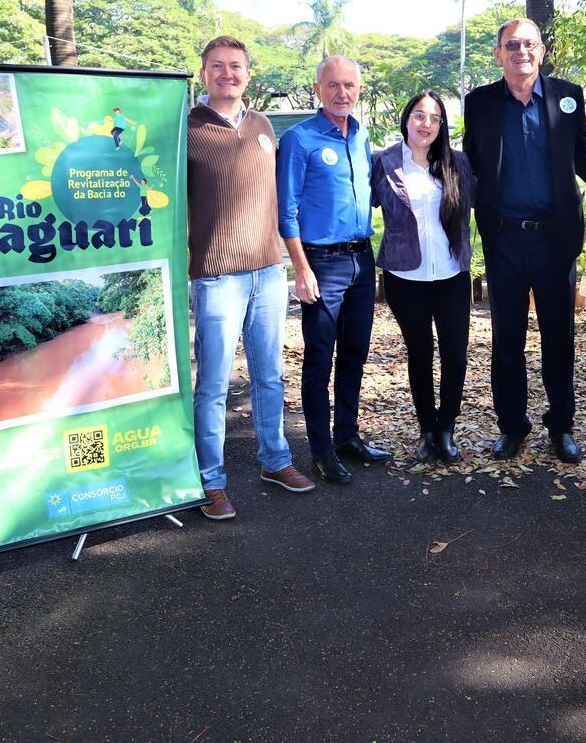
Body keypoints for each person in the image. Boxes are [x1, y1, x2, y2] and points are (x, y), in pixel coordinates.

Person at [187, 35, 315, 521]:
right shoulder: (188, 128)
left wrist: (292, 262)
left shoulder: (262, 125)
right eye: (217, 66)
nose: (228, 74)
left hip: (267, 271)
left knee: (269, 375)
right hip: (217, 277)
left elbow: (281, 201)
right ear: (204, 74)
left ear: (248, 74)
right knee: (215, 383)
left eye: (236, 66)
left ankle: (275, 460)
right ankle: (211, 481)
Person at [462, 18, 586, 462]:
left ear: (542, 51)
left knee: (560, 337)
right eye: (512, 44)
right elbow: (473, 165)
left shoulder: (569, 97)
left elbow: (584, 159)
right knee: (507, 338)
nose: (522, 51)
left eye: (529, 44)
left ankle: (562, 426)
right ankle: (513, 426)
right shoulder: (479, 103)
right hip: (505, 242)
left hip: (557, 242)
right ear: (498, 53)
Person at [277, 55, 391, 483]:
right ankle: (321, 451)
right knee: (319, 359)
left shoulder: (361, 138)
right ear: (317, 88)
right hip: (322, 263)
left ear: (358, 89)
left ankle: (347, 436)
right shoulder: (300, 139)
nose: (342, 93)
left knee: (355, 356)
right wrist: (300, 268)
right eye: (333, 85)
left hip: (363, 258)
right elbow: (285, 210)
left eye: (350, 86)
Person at [371, 91, 476, 464]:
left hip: (450, 273)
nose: (426, 124)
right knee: (420, 352)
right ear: (406, 119)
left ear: (441, 125)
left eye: (434, 118)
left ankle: (446, 428)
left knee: (455, 353)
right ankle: (426, 429)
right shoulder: (383, 162)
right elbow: (355, 199)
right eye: (419, 115)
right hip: (404, 275)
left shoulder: (457, 163)